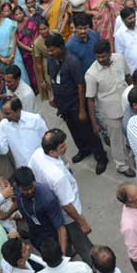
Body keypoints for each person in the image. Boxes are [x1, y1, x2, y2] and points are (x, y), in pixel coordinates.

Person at [44, 34, 109, 173]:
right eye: (48, 50)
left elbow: (81, 86)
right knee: (73, 130)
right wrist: (53, 95)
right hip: (63, 103)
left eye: (52, 50)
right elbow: (52, 77)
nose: (50, 53)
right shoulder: (51, 59)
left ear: (61, 47)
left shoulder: (72, 61)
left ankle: (101, 156)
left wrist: (82, 110)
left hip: (75, 103)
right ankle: (84, 149)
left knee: (88, 131)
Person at [29, 128, 95, 261]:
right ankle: (94, 265)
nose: (65, 147)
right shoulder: (57, 176)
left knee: (69, 237)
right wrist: (82, 222)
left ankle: (69, 252)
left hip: (53, 208)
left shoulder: (37, 154)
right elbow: (67, 205)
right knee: (82, 243)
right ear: (52, 151)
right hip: (69, 214)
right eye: (62, 146)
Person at [85, 40, 134, 177]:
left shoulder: (119, 59)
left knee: (132, 133)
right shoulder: (91, 74)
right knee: (116, 140)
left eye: (104, 56)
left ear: (110, 52)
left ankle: (134, 156)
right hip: (110, 112)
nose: (101, 59)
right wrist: (94, 123)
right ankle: (122, 166)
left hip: (127, 105)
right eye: (98, 57)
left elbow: (128, 77)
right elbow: (90, 99)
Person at [0, 96, 48, 167]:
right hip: (24, 169)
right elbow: (3, 151)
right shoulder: (4, 125)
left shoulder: (35, 119)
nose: (4, 116)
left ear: (18, 110)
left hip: (42, 164)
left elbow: (47, 141)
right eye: (3, 113)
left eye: (8, 113)